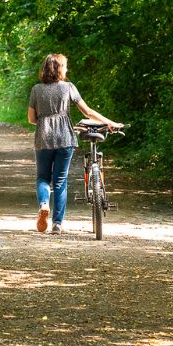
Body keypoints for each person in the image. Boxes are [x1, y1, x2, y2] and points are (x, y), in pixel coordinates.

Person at [26, 53, 121, 234]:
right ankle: (57, 224)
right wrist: (110, 122)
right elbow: (88, 112)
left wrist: (46, 119)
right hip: (65, 139)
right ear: (60, 68)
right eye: (66, 66)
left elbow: (31, 118)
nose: (67, 69)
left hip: (43, 139)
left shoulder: (36, 89)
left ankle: (44, 204)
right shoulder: (68, 87)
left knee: (43, 178)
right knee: (60, 181)